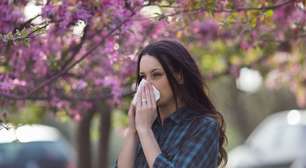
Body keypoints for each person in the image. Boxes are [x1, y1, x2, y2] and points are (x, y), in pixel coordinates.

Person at [115, 40, 227, 168]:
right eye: (143, 77)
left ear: (179, 76)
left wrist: (145, 131)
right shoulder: (144, 126)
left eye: (156, 75)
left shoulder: (203, 127)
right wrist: (133, 131)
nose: (147, 85)